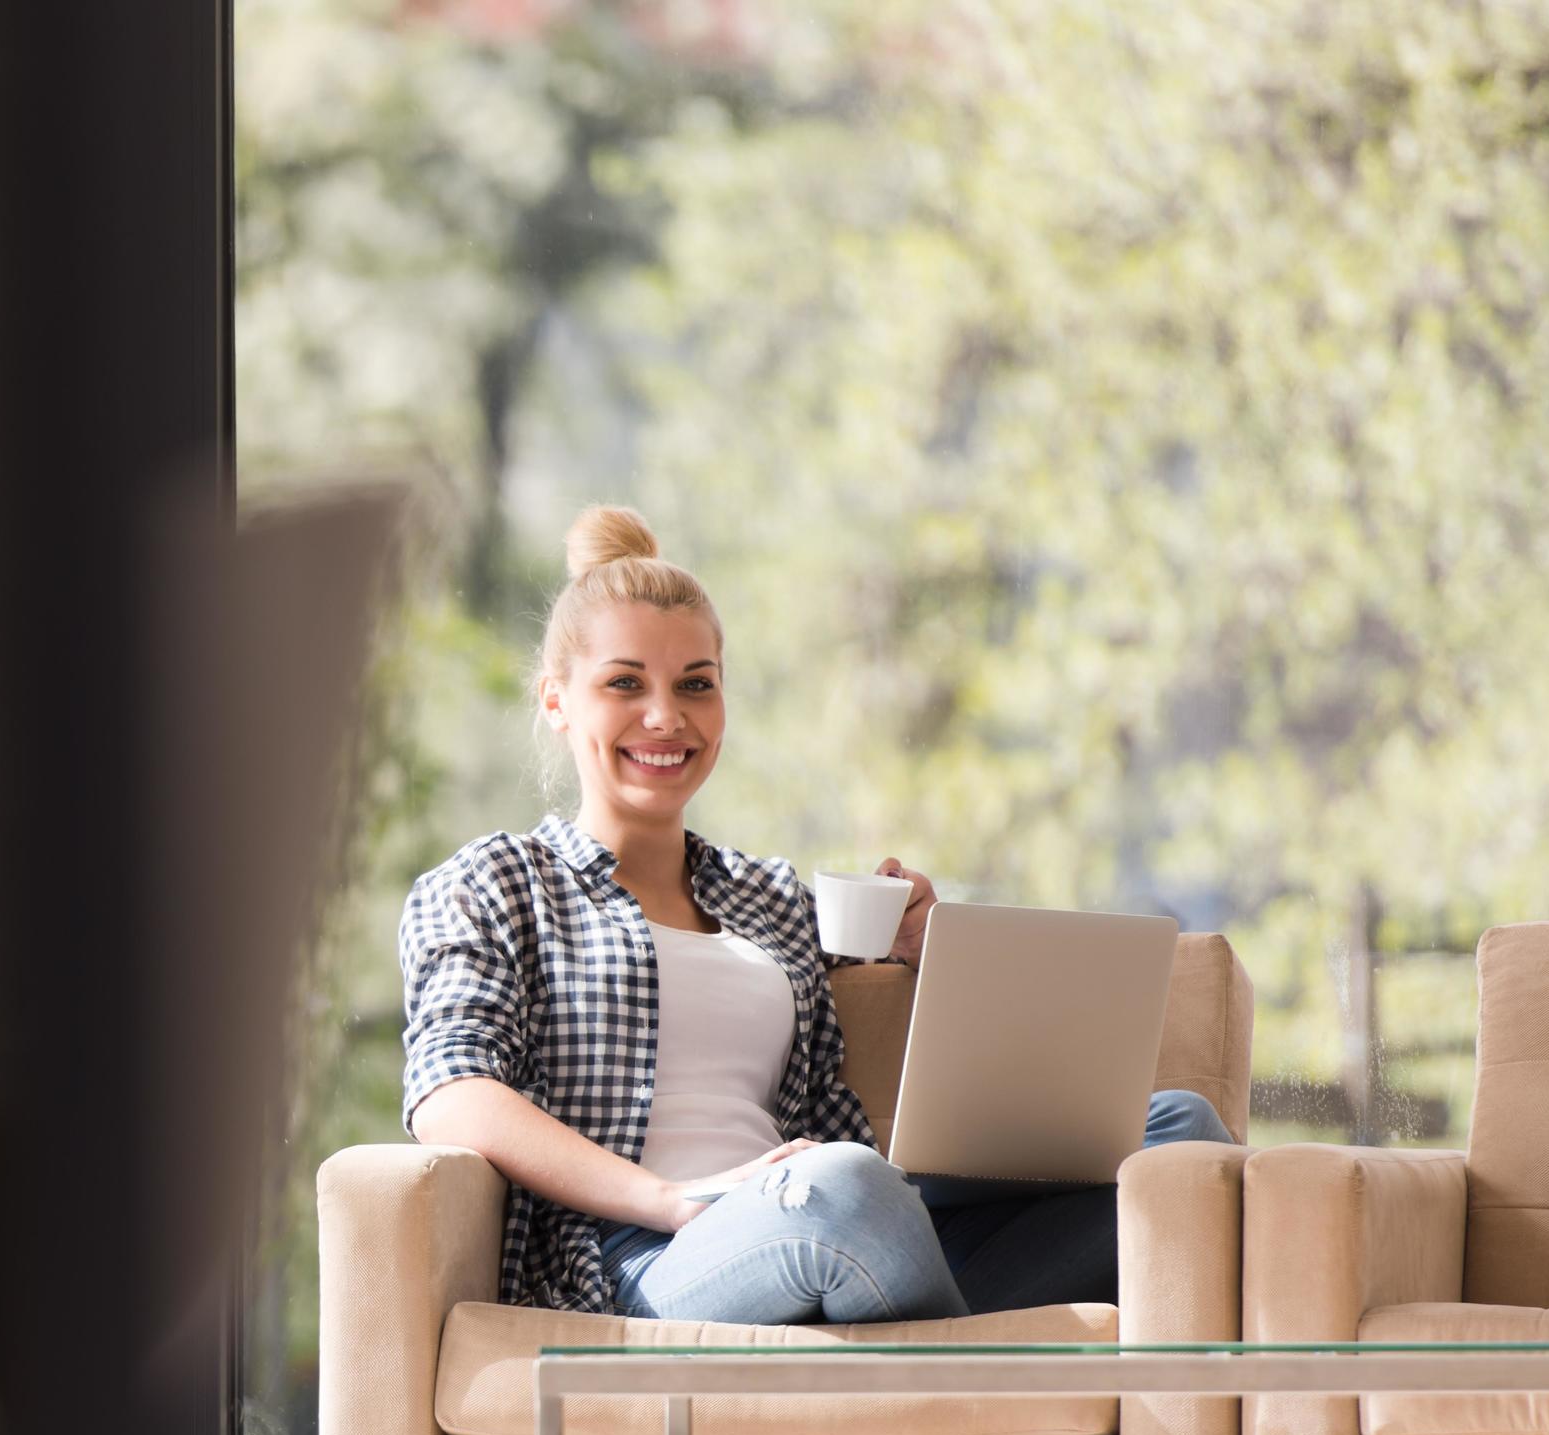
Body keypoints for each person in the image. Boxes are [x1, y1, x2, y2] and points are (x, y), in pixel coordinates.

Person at [398, 503, 1229, 1324]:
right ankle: (965, 1388)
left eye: (696, 684)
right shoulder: (495, 883)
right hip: (645, 1251)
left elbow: (928, 1042)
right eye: (625, 684)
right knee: (844, 1188)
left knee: (1177, 1137)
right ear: (556, 701)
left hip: (834, 1209)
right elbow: (450, 1091)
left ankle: (936, 1340)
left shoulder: (766, 897)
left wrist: (916, 945)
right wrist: (670, 1199)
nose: (666, 716)